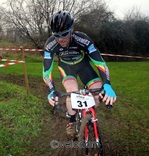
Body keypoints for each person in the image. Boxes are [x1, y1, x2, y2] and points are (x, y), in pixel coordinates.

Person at [43, 10, 116, 138]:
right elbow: (46, 70)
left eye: (64, 34)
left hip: (84, 66)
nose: (60, 39)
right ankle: (71, 120)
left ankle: (88, 114)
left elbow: (100, 63)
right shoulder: (50, 44)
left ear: (72, 29)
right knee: (72, 92)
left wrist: (107, 84)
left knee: (97, 94)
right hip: (66, 68)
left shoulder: (83, 39)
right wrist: (52, 89)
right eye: (56, 35)